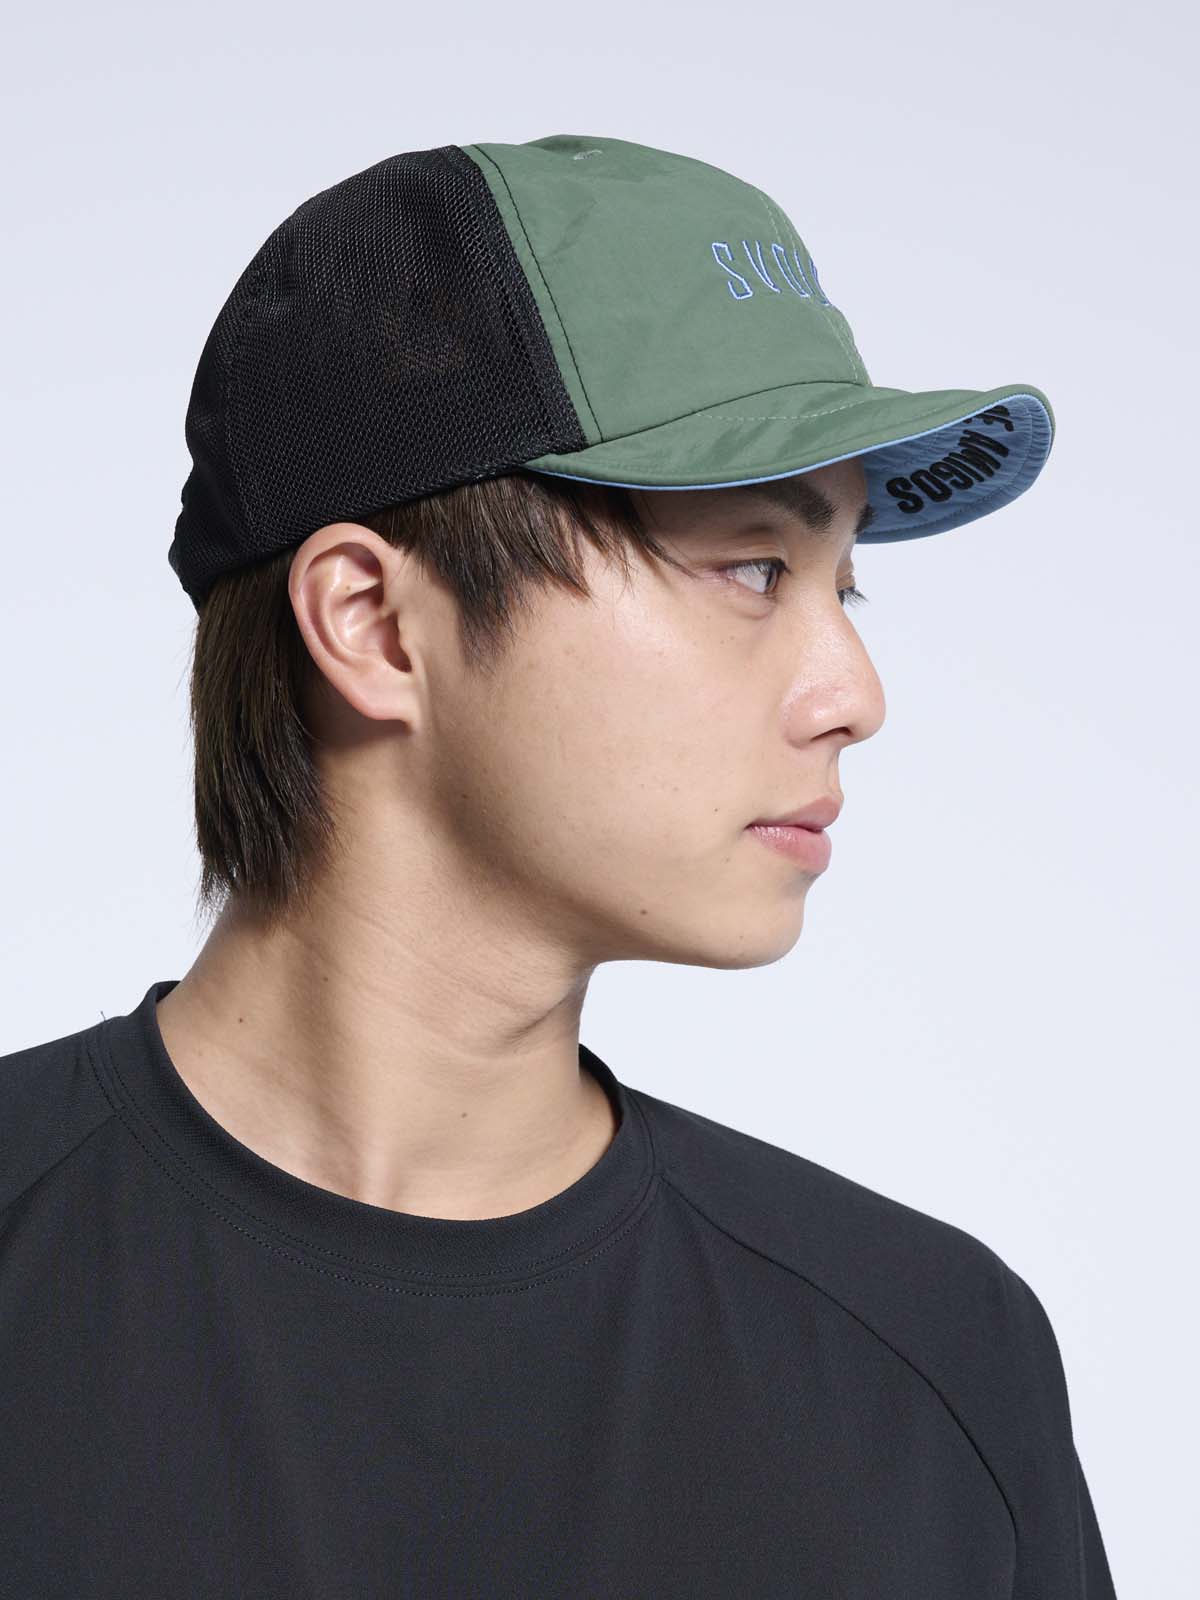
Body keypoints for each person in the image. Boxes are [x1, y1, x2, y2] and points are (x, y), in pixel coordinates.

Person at [0, 134, 1116, 1596]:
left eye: (847, 585)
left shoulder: (928, 1370)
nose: (855, 692)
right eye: (754, 569)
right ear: (375, 625)